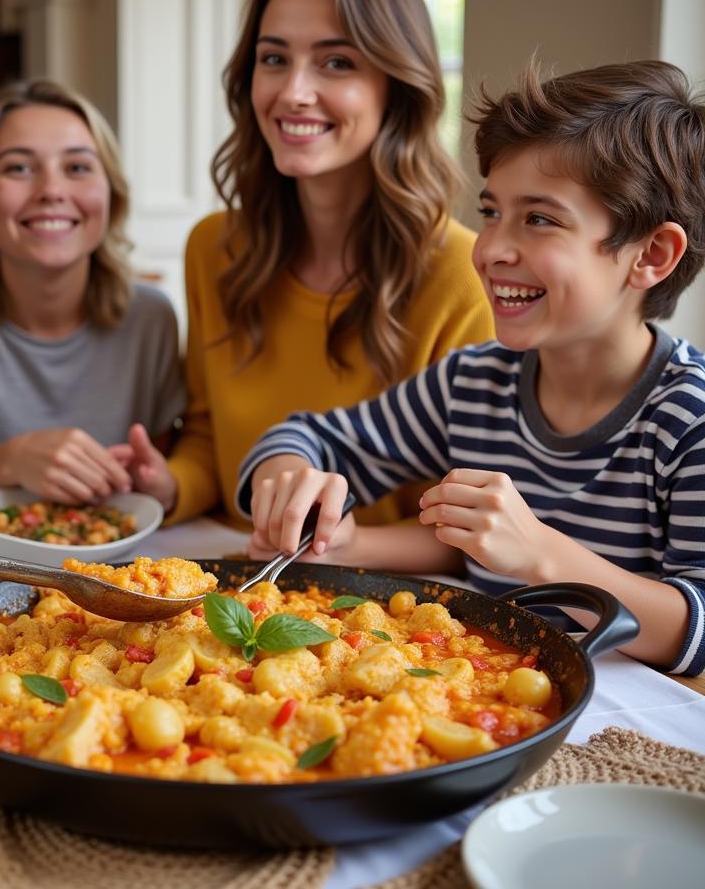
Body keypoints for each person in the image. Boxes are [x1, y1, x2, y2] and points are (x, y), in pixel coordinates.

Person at [240, 60, 705, 677]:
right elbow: (307, 436)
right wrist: (293, 481)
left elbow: (700, 632)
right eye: (491, 212)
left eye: (539, 219)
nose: (491, 250)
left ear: (651, 254)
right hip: (481, 683)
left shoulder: (688, 417)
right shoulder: (475, 382)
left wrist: (542, 555)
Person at [112, 0, 493, 527]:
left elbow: (470, 517)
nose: (293, 92)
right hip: (228, 575)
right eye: (274, 59)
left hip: (391, 603)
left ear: (397, 85)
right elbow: (211, 440)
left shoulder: (465, 275)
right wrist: (167, 485)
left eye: (336, 62)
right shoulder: (214, 248)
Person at [0, 79, 184, 514]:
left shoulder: (151, 319)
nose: (51, 190)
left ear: (111, 196)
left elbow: (156, 483)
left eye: (78, 168)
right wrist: (9, 462)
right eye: (19, 168)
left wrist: (161, 485)